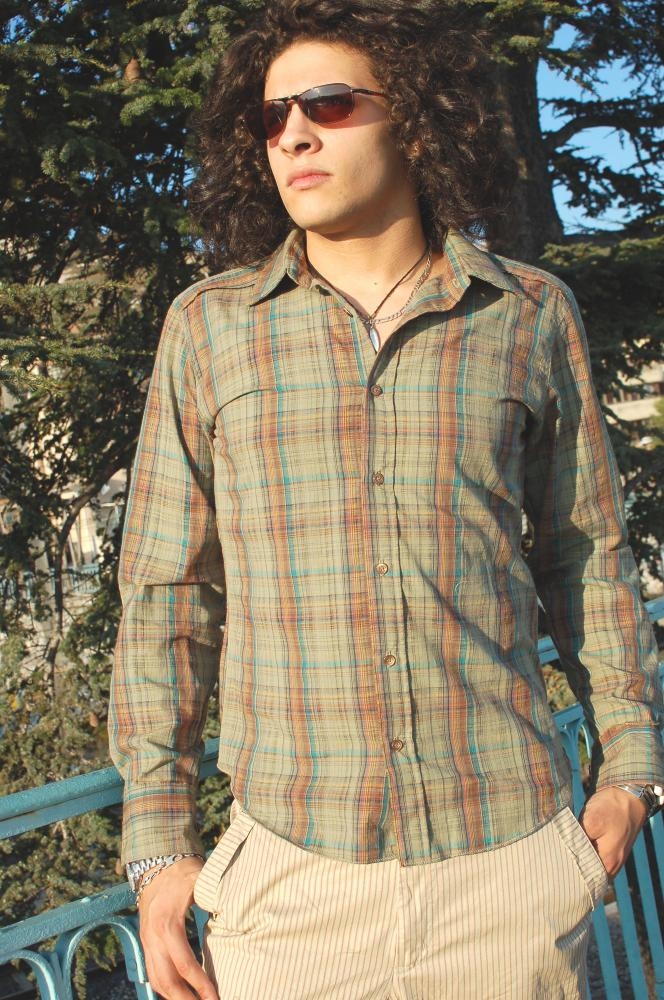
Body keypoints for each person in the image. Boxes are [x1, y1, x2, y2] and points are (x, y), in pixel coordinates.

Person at [109, 2, 664, 998]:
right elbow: (166, 598)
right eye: (271, 117)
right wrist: (158, 847)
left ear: (412, 115)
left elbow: (585, 553)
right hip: (292, 884)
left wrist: (629, 774)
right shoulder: (209, 330)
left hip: (508, 872)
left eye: (328, 104)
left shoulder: (528, 314)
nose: (294, 135)